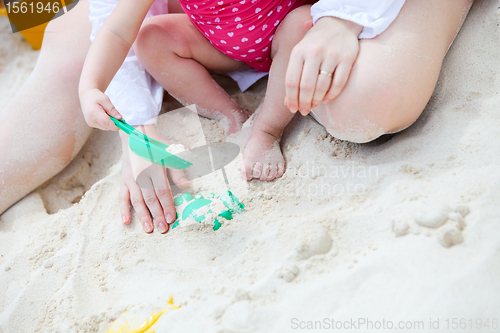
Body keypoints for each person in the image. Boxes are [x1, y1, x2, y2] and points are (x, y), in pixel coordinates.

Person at [0, 0, 474, 232]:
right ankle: (232, 115)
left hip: (281, 25)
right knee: (110, 39)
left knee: (341, 77)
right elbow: (119, 25)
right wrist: (123, 117)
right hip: (221, 35)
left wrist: (342, 18)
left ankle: (264, 127)